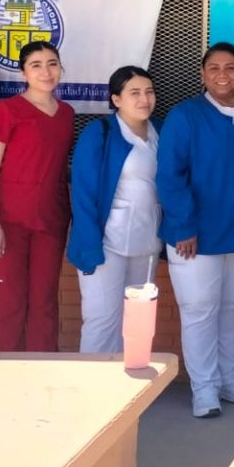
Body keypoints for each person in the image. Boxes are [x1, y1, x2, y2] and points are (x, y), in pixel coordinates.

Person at [158, 42, 234, 418]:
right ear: (202, 74)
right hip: (195, 236)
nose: (222, 75)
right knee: (199, 310)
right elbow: (170, 176)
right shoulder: (185, 116)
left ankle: (228, 379)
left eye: (230, 68)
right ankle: (204, 388)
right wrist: (183, 226)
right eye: (213, 68)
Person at [0, 40, 74, 353]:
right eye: (36, 65)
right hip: (8, 222)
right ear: (23, 73)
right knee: (11, 305)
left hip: (50, 221)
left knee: (44, 303)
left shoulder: (66, 114)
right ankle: (6, 375)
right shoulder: (6, 110)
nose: (46, 72)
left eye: (52, 64)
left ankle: (42, 372)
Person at [67, 66, 161, 354]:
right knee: (103, 320)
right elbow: (83, 194)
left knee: (139, 322)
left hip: (147, 242)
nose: (144, 99)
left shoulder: (160, 131)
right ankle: (96, 384)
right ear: (116, 99)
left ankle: (134, 381)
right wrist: (89, 244)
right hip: (106, 244)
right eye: (135, 93)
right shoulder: (100, 133)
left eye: (149, 92)